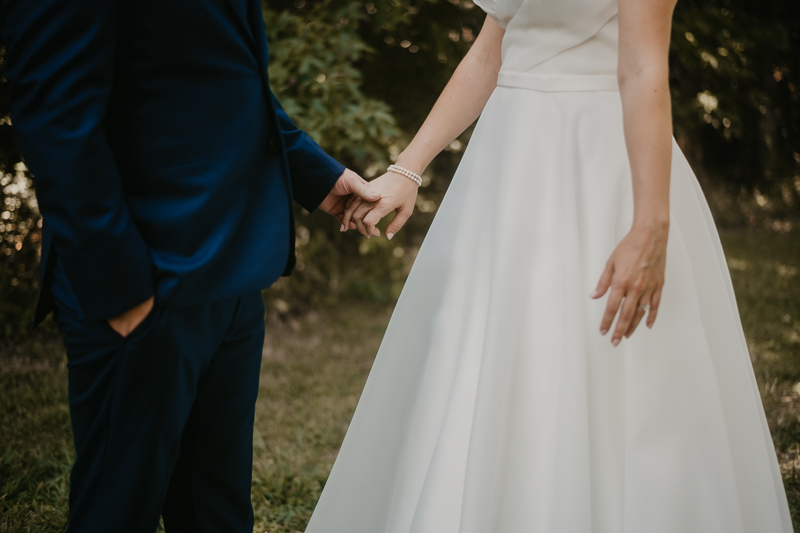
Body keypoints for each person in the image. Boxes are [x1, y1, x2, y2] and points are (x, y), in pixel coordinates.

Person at [306, 0, 794, 530]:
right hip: (507, 166)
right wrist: (408, 168)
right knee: (479, 355)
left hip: (598, 162)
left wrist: (650, 222)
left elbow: (642, 67)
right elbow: (490, 52)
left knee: (606, 367)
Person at [0, 0, 378, 531]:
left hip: (234, 270)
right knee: (117, 509)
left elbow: (219, 76)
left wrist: (317, 176)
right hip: (146, 273)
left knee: (216, 510)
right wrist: (123, 292)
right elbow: (55, 116)